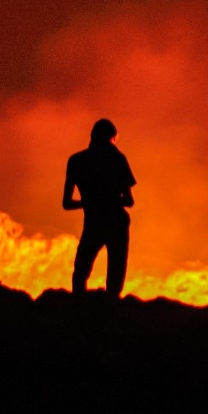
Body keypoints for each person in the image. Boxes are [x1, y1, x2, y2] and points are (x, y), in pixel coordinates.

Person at [62, 118, 136, 298]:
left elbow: (66, 203)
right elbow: (129, 201)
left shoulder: (76, 161)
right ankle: (111, 311)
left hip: (94, 223)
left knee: (80, 272)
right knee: (115, 274)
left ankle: (79, 310)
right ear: (112, 138)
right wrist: (110, 198)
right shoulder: (117, 159)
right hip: (116, 222)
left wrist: (89, 202)